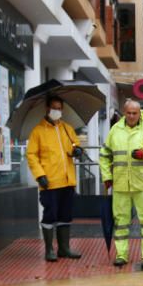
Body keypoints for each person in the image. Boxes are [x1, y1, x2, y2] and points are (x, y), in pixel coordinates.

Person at [99, 99, 143, 270]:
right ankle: (121, 255)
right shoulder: (115, 131)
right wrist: (107, 176)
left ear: (139, 113)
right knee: (120, 221)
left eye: (135, 113)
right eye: (129, 112)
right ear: (124, 112)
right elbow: (104, 155)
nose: (132, 116)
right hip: (120, 183)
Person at [26, 95, 84, 262]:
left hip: (67, 181)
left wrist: (77, 150)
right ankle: (49, 249)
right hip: (49, 182)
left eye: (59, 108)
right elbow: (31, 155)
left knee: (65, 215)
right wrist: (39, 175)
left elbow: (75, 145)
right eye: (53, 108)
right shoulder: (38, 131)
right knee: (50, 216)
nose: (56, 111)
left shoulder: (67, 128)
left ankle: (64, 249)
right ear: (47, 109)